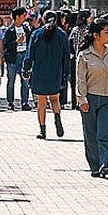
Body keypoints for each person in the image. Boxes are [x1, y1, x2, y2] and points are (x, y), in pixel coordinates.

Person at [76, 19, 108, 178]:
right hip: (90, 99)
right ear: (96, 35)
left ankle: (105, 163)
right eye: (106, 32)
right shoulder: (84, 55)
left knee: (105, 134)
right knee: (91, 134)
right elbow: (80, 79)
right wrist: (81, 99)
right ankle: (95, 166)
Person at [23, 10, 70, 139]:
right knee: (55, 99)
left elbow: (29, 54)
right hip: (56, 71)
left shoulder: (36, 34)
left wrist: (26, 69)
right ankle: (57, 117)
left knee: (41, 102)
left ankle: (42, 130)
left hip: (39, 71)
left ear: (43, 19)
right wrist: (66, 73)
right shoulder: (62, 35)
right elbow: (66, 56)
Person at [3, 7, 32, 111]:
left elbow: (30, 42)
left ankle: (25, 102)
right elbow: (6, 45)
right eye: (23, 16)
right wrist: (16, 42)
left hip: (24, 56)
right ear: (17, 17)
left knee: (25, 81)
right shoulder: (9, 30)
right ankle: (10, 102)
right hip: (13, 58)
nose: (25, 18)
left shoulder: (26, 29)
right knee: (11, 81)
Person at [69, 10, 91, 110]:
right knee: (85, 82)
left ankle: (75, 103)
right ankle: (83, 102)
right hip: (87, 59)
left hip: (75, 58)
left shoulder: (74, 29)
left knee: (76, 82)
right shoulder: (88, 30)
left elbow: (70, 43)